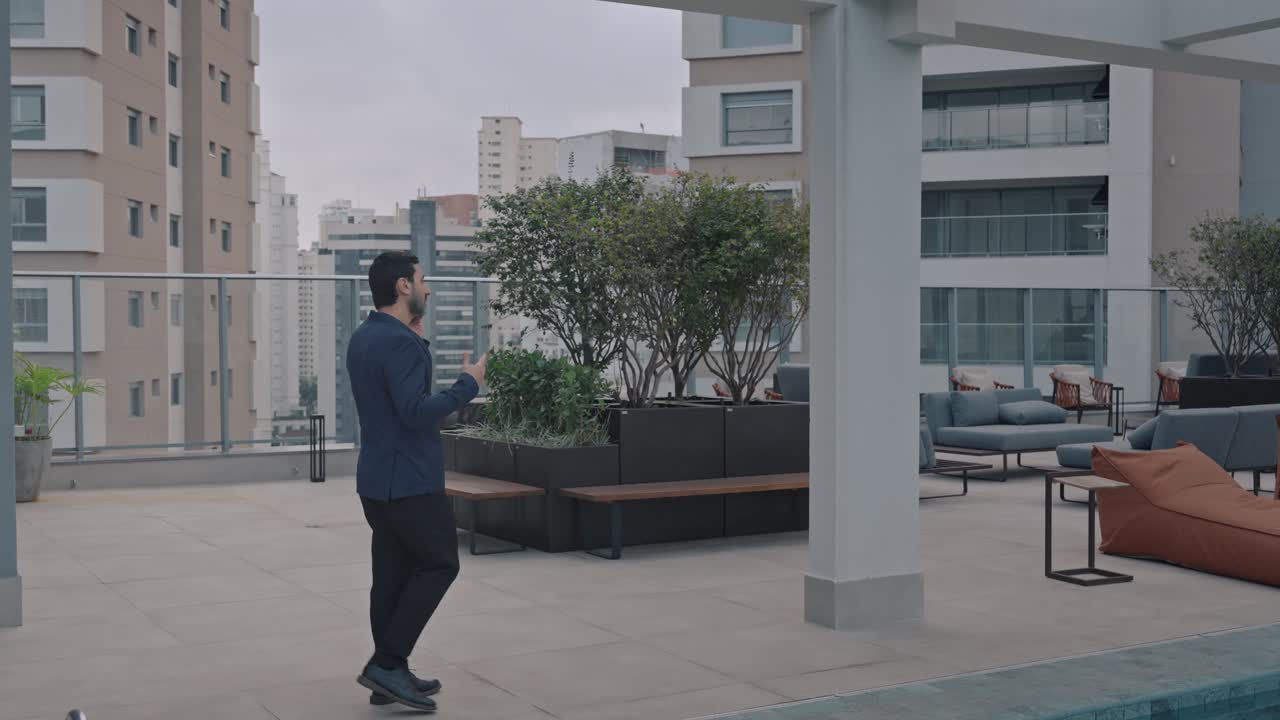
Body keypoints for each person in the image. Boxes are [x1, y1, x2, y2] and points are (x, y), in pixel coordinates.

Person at [346, 250, 486, 711]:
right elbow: (413, 411)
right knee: (440, 563)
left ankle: (390, 672)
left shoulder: (366, 336)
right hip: (409, 480)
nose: (427, 288)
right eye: (422, 280)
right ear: (403, 286)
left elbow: (390, 400)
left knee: (391, 572)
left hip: (376, 482)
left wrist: (413, 344)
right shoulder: (401, 343)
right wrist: (467, 384)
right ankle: (387, 662)